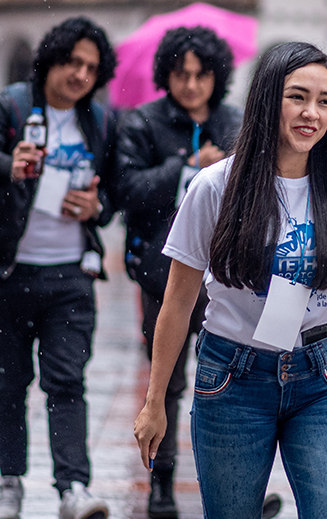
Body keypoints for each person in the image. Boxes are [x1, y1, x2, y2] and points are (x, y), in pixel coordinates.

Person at [133, 41, 327, 519]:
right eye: (297, 96)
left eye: (324, 101)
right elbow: (177, 301)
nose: (312, 113)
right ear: (266, 99)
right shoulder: (216, 186)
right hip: (233, 377)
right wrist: (155, 403)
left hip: (326, 374)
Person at [0, 16, 118, 519]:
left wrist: (98, 208)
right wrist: (8, 161)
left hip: (69, 276)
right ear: (51, 59)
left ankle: (73, 488)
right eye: (72, 61)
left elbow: (117, 190)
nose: (80, 75)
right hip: (4, 272)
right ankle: (10, 483)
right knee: (9, 382)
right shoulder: (8, 106)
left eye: (91, 68)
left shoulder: (101, 121)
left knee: (67, 381)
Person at [113, 26, 244, 519]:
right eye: (181, 74)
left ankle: (237, 485)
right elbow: (127, 190)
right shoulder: (144, 123)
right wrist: (188, 168)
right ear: (166, 74)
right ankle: (160, 485)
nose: (191, 84)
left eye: (201, 74)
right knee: (164, 382)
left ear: (217, 76)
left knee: (231, 381)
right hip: (159, 273)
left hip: (229, 275)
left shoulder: (235, 123)